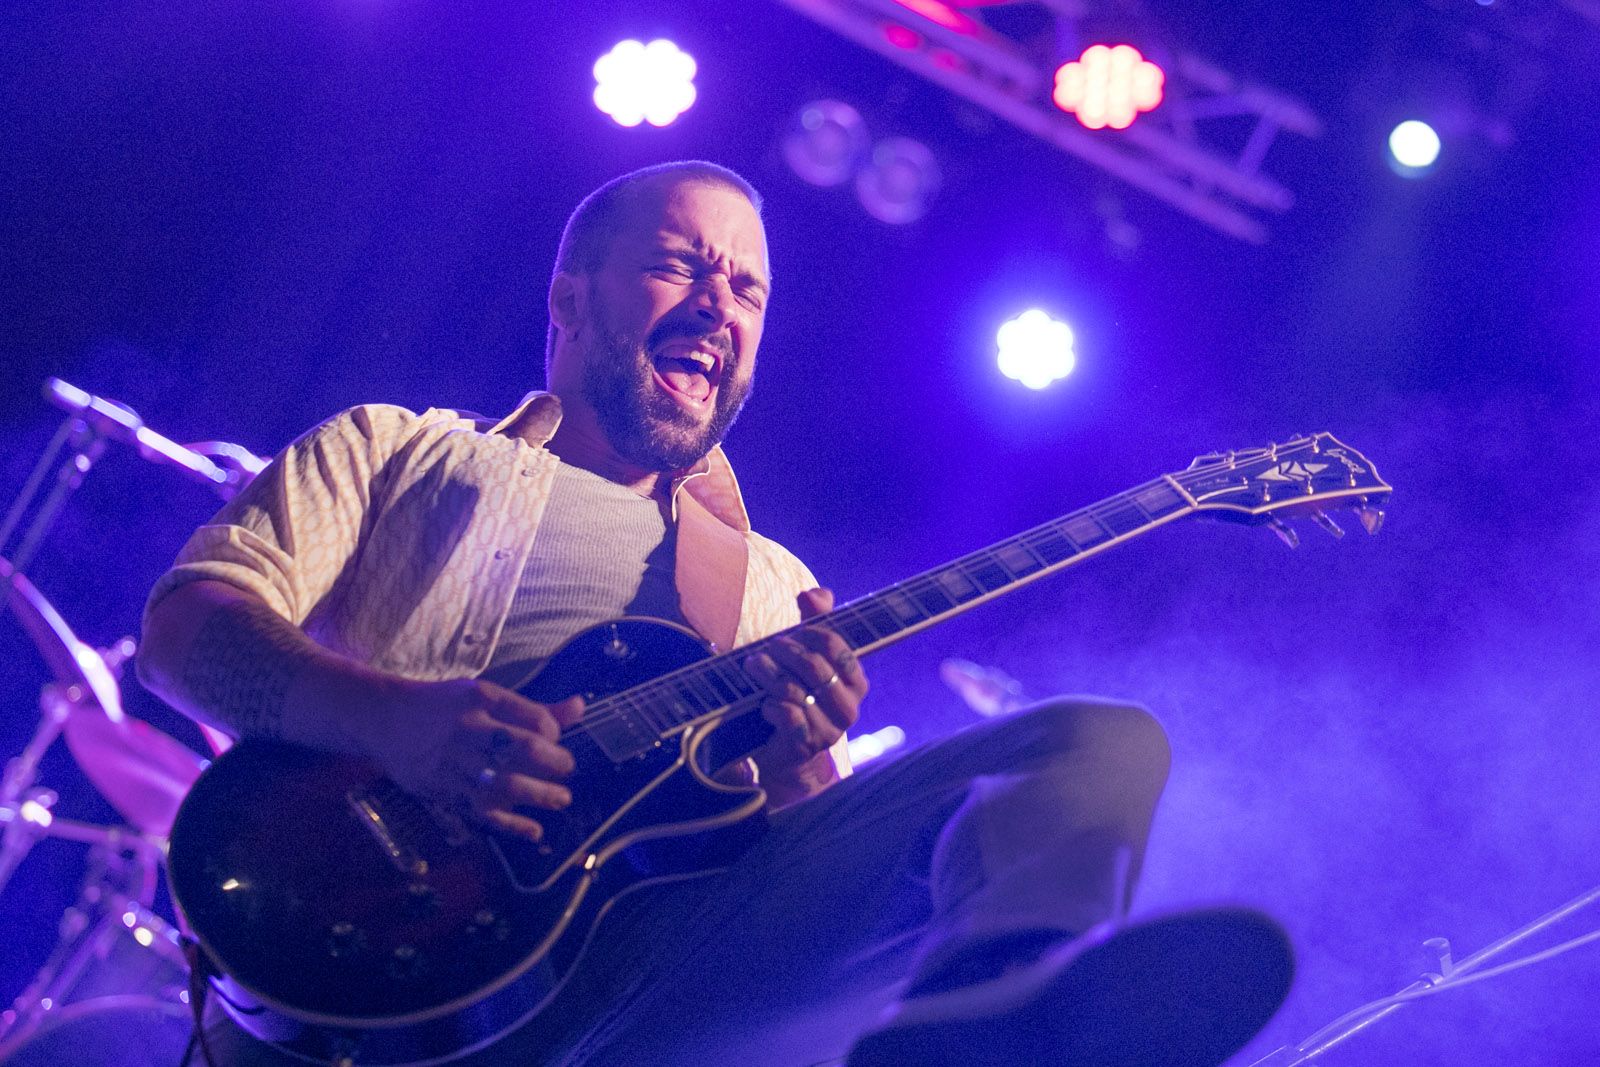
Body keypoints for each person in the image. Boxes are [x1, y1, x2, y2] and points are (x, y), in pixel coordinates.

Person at [138, 160, 1293, 1067]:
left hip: (654, 991)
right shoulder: (404, 449)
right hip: (386, 954)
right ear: (570, 297)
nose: (718, 302)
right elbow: (188, 629)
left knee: (1097, 741)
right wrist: (399, 725)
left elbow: (785, 867)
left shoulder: (771, 587)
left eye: (746, 287)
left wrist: (797, 767)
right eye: (681, 265)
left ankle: (984, 1018)